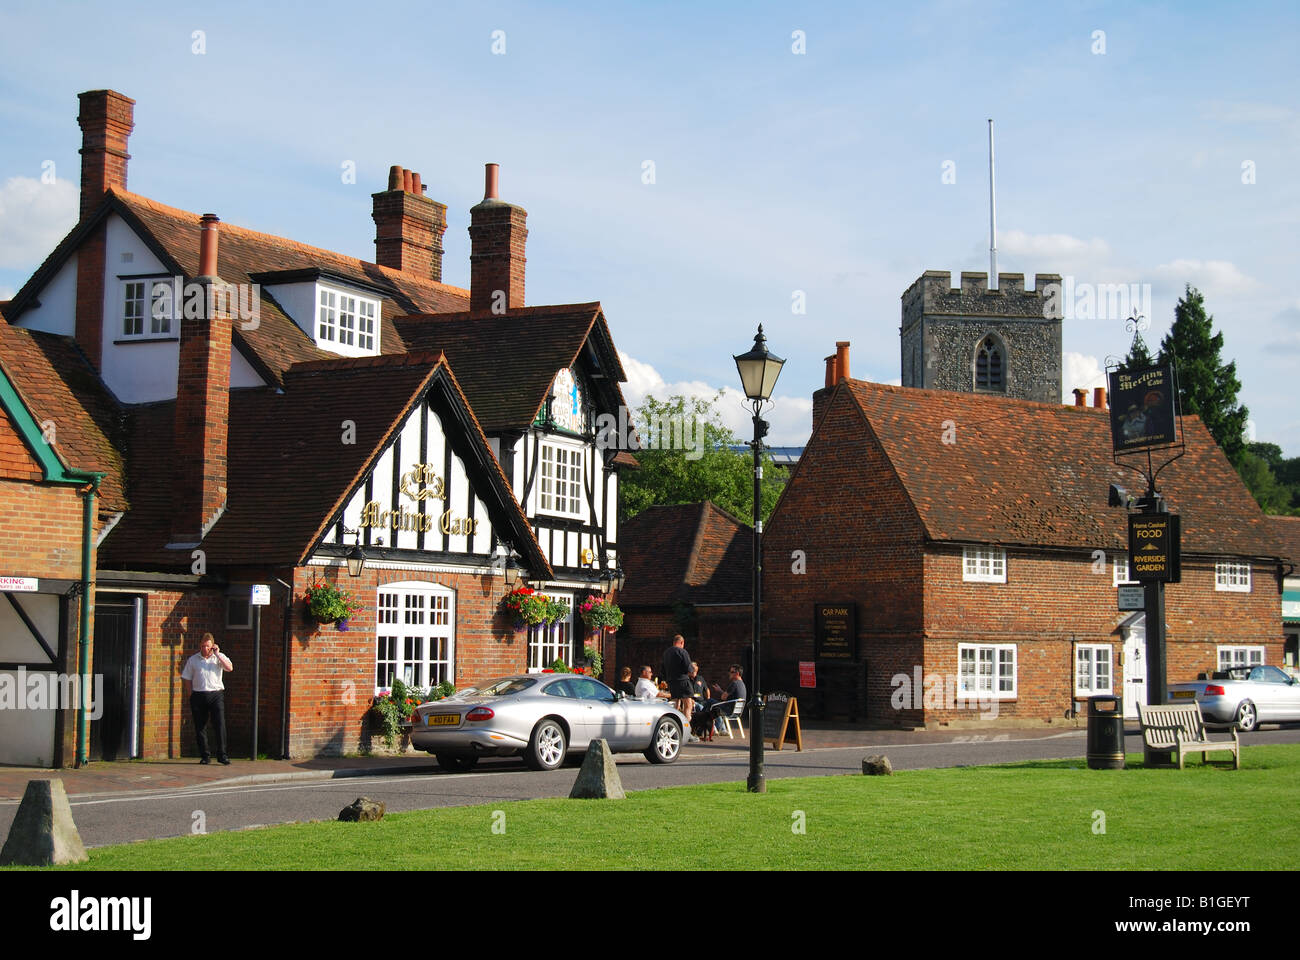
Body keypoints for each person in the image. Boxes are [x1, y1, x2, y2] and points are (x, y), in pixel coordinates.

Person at [180, 632, 234, 765]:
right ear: (200, 645)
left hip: (216, 694)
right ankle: (205, 755)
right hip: (199, 694)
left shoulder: (219, 657)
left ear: (213, 646)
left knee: (219, 724)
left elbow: (229, 668)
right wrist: (190, 695)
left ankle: (222, 755)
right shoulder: (193, 659)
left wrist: (217, 654)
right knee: (200, 727)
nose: (205, 649)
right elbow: (186, 678)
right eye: (203, 646)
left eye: (208, 646)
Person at [662, 634, 695, 734]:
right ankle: (686, 730)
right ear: (682, 642)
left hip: (671, 681)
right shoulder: (682, 651)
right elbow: (688, 668)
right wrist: (692, 672)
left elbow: (663, 669)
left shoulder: (666, 653)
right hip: (682, 680)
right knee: (688, 704)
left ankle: (673, 728)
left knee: (675, 704)